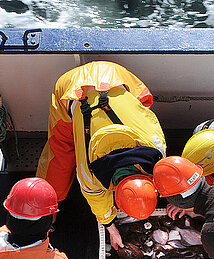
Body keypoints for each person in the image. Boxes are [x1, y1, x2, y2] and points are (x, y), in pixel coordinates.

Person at [36, 61, 166, 249]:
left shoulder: (158, 151)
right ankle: (44, 217)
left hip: (113, 74)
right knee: (60, 157)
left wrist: (111, 228)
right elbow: (99, 203)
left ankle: (44, 216)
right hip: (71, 89)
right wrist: (112, 229)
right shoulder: (88, 175)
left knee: (143, 103)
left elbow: (147, 116)